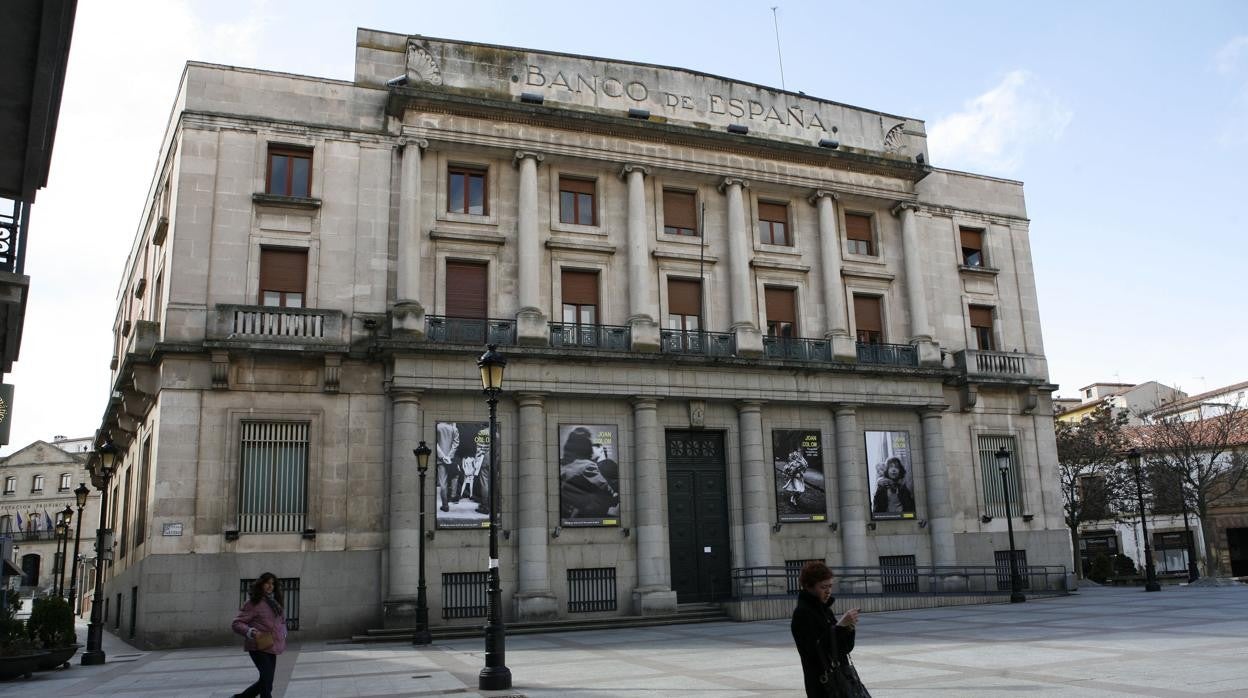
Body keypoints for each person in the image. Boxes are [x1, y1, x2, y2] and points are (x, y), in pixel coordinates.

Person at [791, 561, 864, 697]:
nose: (828, 591)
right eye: (823, 587)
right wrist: (839, 627)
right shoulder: (802, 613)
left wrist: (849, 628)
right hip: (822, 684)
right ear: (808, 587)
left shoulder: (824, 610)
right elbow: (815, 651)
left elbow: (843, 649)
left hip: (840, 680)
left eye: (830, 586)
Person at [231, 572, 288, 698]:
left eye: (272, 583)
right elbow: (236, 623)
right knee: (267, 680)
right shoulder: (253, 603)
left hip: (272, 645)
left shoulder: (274, 602)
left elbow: (282, 621)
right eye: (267, 583)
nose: (270, 586)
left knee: (267, 682)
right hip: (258, 646)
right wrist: (251, 632)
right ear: (261, 584)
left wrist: (283, 633)